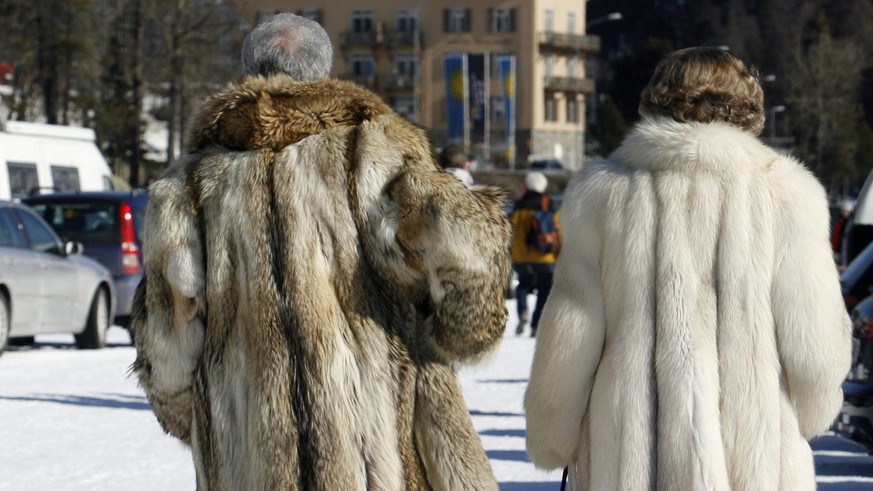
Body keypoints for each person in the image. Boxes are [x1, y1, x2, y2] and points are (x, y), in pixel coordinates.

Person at [131, 13, 511, 490]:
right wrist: (456, 334)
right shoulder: (376, 155)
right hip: (369, 438)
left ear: (251, 71)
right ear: (325, 72)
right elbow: (469, 244)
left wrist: (201, 418)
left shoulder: (187, 186)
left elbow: (167, 334)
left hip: (250, 453)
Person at [524, 47, 851, 490]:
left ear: (658, 99)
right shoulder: (787, 195)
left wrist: (554, 434)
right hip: (750, 452)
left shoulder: (603, 194)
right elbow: (815, 342)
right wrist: (813, 409)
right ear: (747, 106)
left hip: (630, 455)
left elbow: (572, 329)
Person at [510, 171, 560, 337]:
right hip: (545, 256)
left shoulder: (518, 205)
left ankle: (523, 311)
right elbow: (559, 230)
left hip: (522, 256)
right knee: (544, 290)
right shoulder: (549, 205)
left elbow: (511, 231)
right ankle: (536, 325)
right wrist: (560, 253)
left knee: (523, 286)